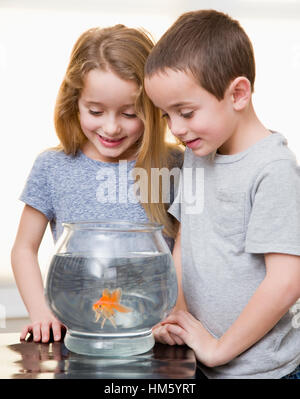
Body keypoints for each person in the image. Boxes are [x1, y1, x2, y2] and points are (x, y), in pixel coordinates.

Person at [144, 9, 300, 379]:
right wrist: (178, 316)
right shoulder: (200, 153)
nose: (176, 128)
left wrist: (218, 350)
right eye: (167, 115)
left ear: (238, 94)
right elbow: (185, 242)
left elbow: (287, 280)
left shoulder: (273, 170)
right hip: (201, 362)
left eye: (185, 112)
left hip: (262, 373)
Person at [11, 25, 182, 344]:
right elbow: (23, 248)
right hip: (77, 335)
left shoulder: (173, 166)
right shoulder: (52, 166)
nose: (111, 127)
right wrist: (40, 313)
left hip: (153, 337)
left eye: (130, 113)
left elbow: (190, 251)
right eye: (95, 111)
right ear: (74, 102)